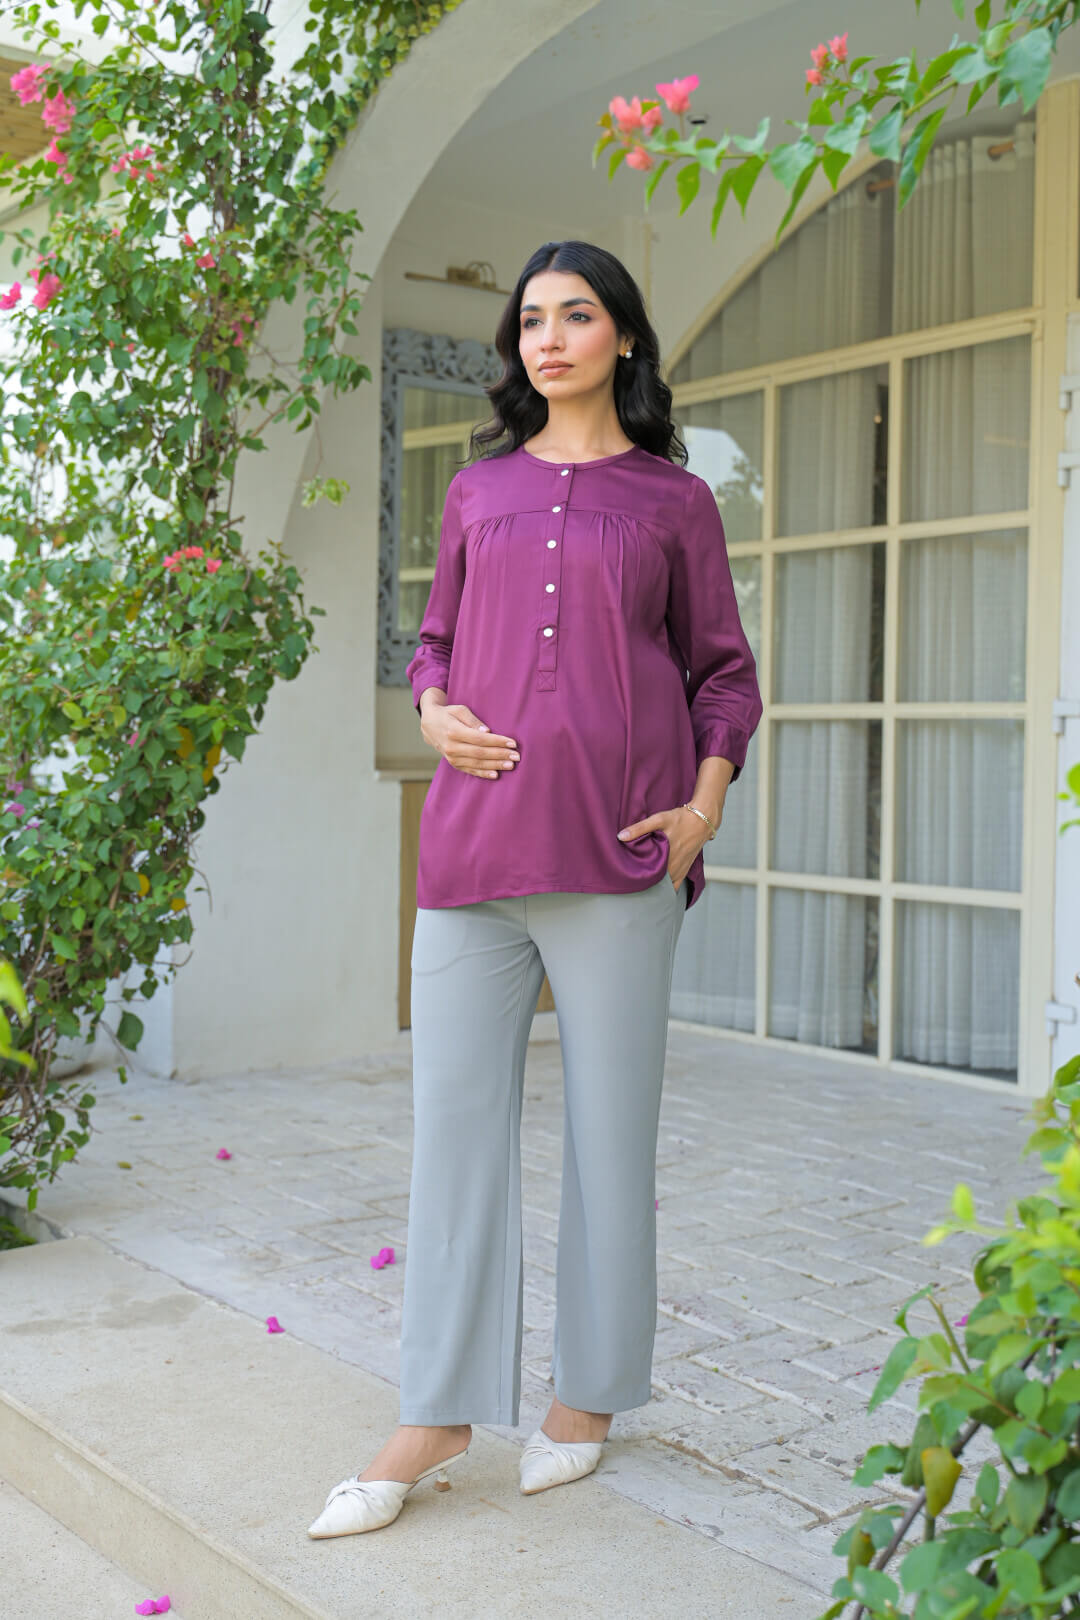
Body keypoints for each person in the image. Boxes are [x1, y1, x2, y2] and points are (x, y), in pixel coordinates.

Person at [308, 239, 762, 1540]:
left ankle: (589, 1395)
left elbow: (725, 674)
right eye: (530, 321)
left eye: (576, 316)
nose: (547, 338)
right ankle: (438, 1413)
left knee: (611, 1140)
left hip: (620, 856)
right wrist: (434, 707)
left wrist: (702, 811)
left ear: (624, 336)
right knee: (454, 1138)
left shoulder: (675, 501)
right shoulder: (478, 490)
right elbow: (435, 644)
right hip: (471, 857)